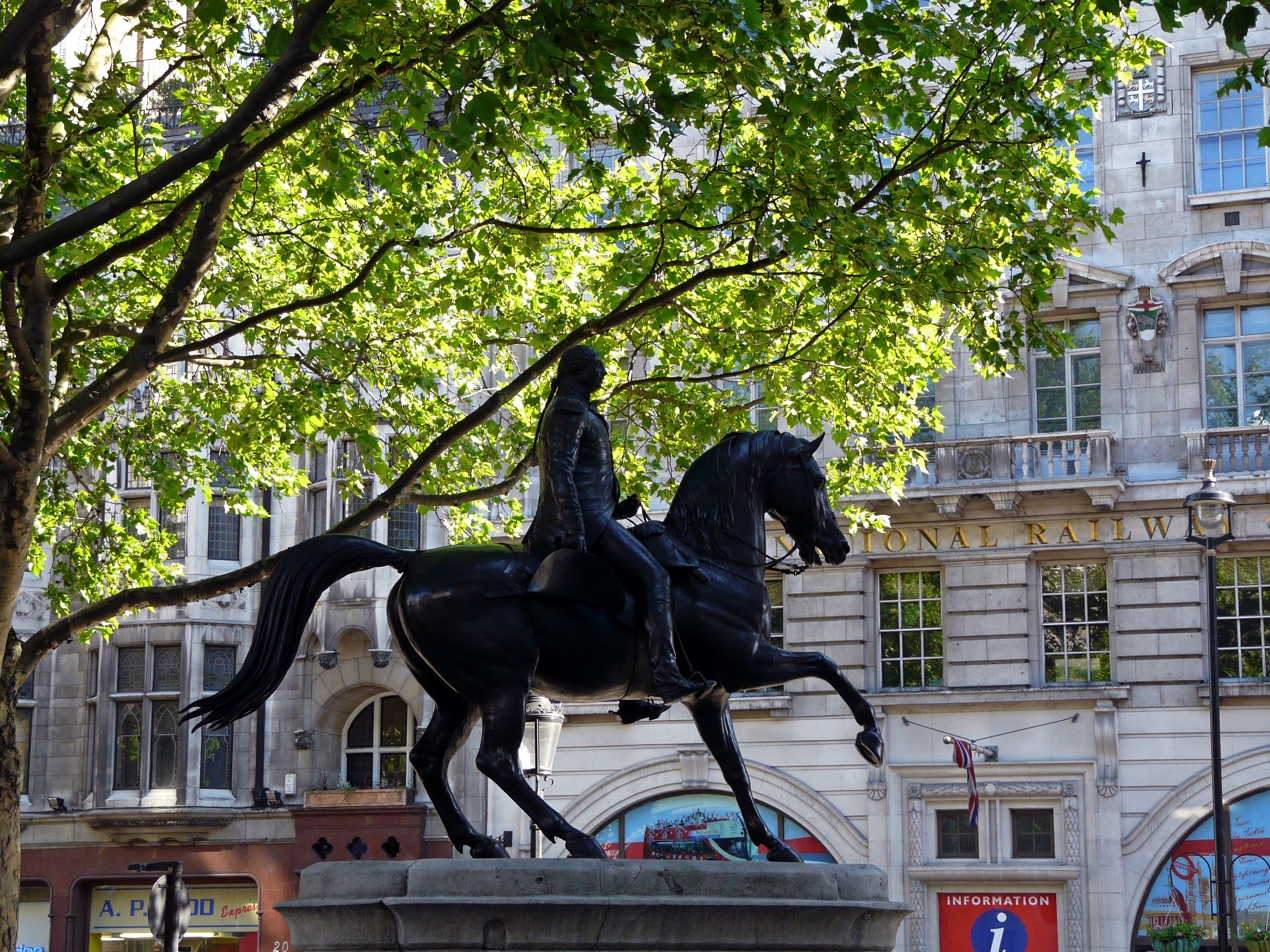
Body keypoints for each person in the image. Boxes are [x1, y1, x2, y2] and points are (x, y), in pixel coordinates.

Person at [524, 345, 711, 704]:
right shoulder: (568, 408)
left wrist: (616, 507)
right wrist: (575, 527)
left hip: (597, 517)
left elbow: (582, 475)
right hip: (584, 524)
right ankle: (667, 675)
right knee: (655, 576)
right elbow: (560, 476)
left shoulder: (581, 409)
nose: (605, 372)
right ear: (577, 370)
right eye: (597, 365)